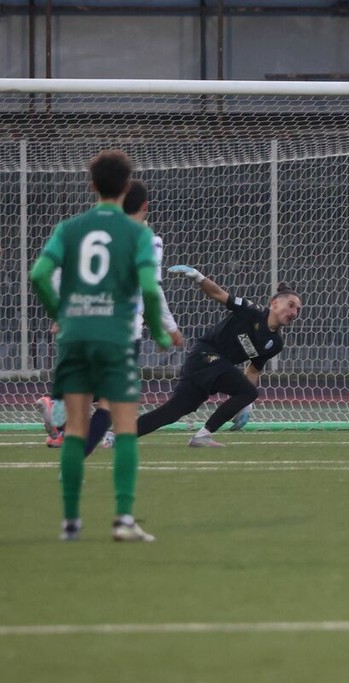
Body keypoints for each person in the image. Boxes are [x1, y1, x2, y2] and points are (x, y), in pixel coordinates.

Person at [29, 149, 171, 542]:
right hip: (115, 338)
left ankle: (70, 524)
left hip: (75, 338)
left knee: (75, 429)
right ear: (127, 187)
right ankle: (123, 520)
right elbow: (149, 288)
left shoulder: (69, 228)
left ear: (91, 185)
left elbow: (39, 274)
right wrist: (160, 334)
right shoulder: (138, 235)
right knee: (124, 426)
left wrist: (61, 313)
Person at [35, 180, 186, 454]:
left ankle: (60, 416)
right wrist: (169, 328)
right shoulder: (147, 239)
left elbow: (57, 272)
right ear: (145, 206)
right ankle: (67, 432)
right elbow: (151, 289)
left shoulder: (87, 230)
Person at [136, 267, 301, 447]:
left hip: (216, 368)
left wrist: (246, 404)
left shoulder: (275, 343)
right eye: (291, 305)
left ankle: (120, 435)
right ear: (274, 303)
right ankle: (203, 436)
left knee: (173, 412)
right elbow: (219, 294)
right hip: (204, 355)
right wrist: (198, 276)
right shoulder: (251, 311)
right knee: (248, 392)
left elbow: (253, 370)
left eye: (298, 310)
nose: (294, 312)